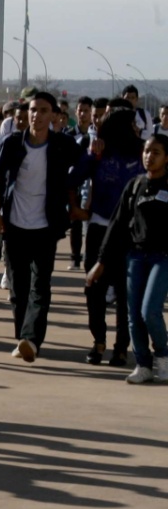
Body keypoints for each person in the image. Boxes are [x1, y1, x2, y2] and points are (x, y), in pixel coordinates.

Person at [0, 90, 82, 363]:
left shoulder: (62, 145)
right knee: (18, 288)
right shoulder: (12, 143)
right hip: (15, 225)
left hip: (46, 226)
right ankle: (23, 338)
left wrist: (99, 144)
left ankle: (31, 339)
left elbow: (86, 165)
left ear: (54, 116)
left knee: (40, 285)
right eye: (33, 110)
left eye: (44, 111)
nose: (37, 115)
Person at [86, 133, 168, 383]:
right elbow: (117, 226)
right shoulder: (134, 186)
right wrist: (100, 262)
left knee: (150, 311)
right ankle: (143, 365)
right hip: (135, 257)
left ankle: (163, 357)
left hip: (162, 258)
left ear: (167, 158)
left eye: (155, 152)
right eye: (146, 151)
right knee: (133, 315)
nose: (149, 156)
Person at [72, 107, 147, 367]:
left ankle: (121, 348)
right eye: (133, 126)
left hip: (131, 233)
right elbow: (73, 178)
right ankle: (99, 341)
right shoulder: (99, 151)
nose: (138, 130)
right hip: (99, 227)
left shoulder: (142, 153)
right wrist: (92, 156)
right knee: (94, 288)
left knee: (127, 293)